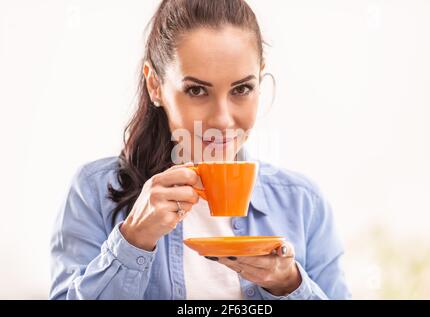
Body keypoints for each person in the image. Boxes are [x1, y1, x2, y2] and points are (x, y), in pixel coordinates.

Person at [49, 0, 351, 300]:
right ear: (155, 85)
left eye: (242, 89)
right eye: (196, 90)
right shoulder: (93, 191)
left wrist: (289, 285)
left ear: (260, 79)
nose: (222, 120)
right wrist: (133, 241)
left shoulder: (302, 203)